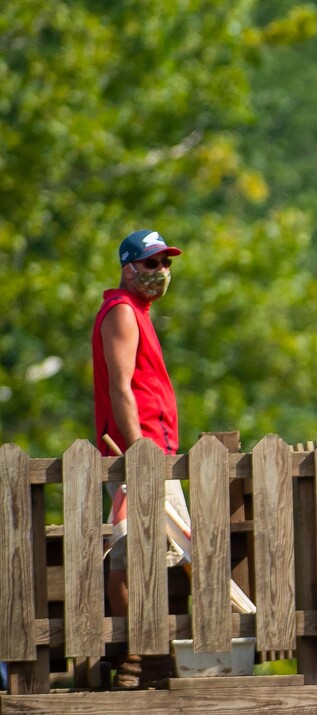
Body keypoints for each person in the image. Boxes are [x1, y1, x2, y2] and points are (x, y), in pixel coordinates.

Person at [94, 229, 184, 686]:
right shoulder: (123, 312)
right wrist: (139, 453)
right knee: (131, 549)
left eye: (166, 263)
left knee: (161, 552)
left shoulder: (140, 313)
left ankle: (152, 655)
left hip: (156, 453)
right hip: (138, 454)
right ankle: (137, 657)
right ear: (128, 267)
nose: (161, 272)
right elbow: (120, 387)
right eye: (151, 264)